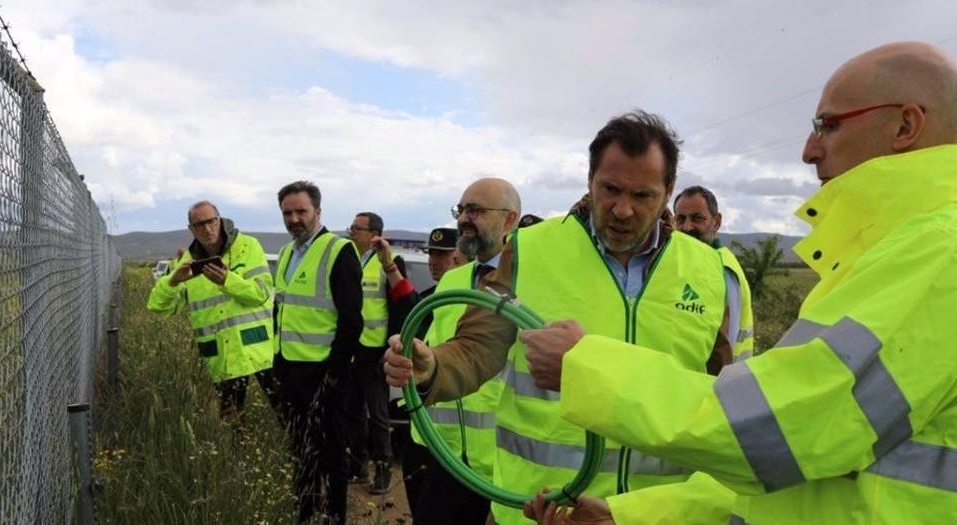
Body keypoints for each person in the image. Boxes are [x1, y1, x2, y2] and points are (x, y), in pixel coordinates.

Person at [523, 41, 957, 525]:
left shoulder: (941, 252)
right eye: (610, 189)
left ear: (905, 126)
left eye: (828, 125)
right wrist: (633, 514)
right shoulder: (899, 252)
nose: (809, 150)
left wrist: (586, 367)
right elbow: (806, 478)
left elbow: (786, 429)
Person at [384, 111, 736, 525]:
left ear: (668, 190)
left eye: (642, 196)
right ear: (589, 179)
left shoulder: (707, 271)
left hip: (653, 516)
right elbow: (478, 347)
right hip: (537, 511)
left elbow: (720, 395)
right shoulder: (529, 250)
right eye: (610, 189)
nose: (622, 210)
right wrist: (432, 369)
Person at [408, 178, 522, 525]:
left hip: (501, 466)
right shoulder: (453, 282)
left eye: (475, 210)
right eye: (461, 210)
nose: (462, 220)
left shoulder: (532, 280)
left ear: (509, 220)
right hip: (444, 454)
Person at [273, 181, 363, 524]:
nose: (294, 219)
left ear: (318, 212)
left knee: (331, 452)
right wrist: (278, 361)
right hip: (290, 371)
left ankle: (335, 515)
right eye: (287, 213)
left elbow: (352, 321)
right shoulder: (285, 253)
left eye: (301, 211)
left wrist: (335, 374)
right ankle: (307, 512)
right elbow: (282, 311)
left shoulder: (338, 250)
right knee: (299, 450)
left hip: (324, 375)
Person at [146, 201, 277, 418]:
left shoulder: (248, 246)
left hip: (259, 350)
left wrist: (228, 280)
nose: (207, 229)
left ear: (220, 219)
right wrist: (172, 282)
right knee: (232, 424)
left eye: (211, 221)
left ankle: (303, 452)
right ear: (191, 229)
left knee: (289, 415)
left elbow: (261, 293)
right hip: (221, 357)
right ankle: (237, 452)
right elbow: (158, 308)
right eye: (199, 225)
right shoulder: (185, 261)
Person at [344, 211, 417, 494]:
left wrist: (390, 346)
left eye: (357, 228)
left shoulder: (389, 261)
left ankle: (383, 470)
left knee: (378, 416)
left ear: (374, 234)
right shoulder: (349, 256)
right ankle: (357, 466)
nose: (352, 232)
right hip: (352, 349)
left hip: (376, 352)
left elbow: (402, 302)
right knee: (354, 412)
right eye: (351, 227)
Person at [402, 226, 463, 511]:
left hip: (459, 445)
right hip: (422, 428)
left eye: (443, 254)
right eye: (432, 254)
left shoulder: (477, 302)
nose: (434, 261)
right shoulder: (430, 298)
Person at [674, 185, 755, 359]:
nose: (687, 227)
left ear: (716, 222)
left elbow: (726, 340)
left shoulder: (724, 269)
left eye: (697, 218)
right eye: (680, 219)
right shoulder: (674, 262)